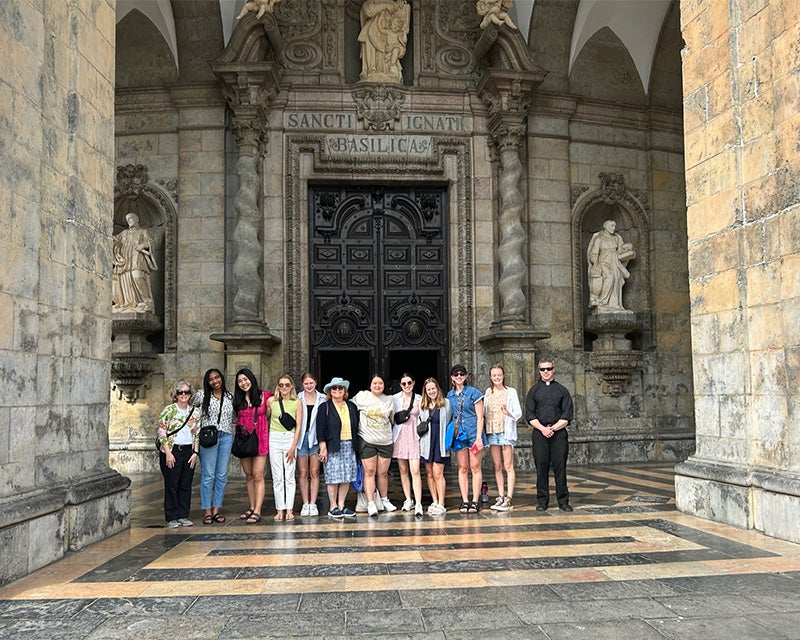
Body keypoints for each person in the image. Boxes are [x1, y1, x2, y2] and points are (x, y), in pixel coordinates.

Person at [524, 358, 575, 512]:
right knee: (541, 467)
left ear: (553, 370)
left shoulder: (562, 391)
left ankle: (563, 501)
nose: (545, 372)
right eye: (542, 369)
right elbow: (530, 415)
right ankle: (542, 501)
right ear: (539, 371)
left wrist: (553, 428)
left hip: (558, 434)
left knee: (560, 468)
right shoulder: (533, 391)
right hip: (540, 433)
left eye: (548, 369)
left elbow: (567, 415)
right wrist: (543, 429)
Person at [156, 380, 201, 528]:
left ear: (190, 394)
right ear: (175, 394)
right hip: (172, 450)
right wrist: (168, 453)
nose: (183, 395)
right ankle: (172, 516)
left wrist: (195, 452)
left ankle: (183, 514)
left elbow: (197, 433)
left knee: (186, 483)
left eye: (186, 392)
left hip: (188, 450)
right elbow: (162, 432)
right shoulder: (169, 410)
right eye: (180, 392)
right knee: (172, 483)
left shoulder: (195, 412)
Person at [192, 369, 235, 525]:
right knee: (208, 474)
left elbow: (235, 417)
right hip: (209, 437)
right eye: (211, 379)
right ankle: (207, 511)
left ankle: (216, 509)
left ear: (222, 378)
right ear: (207, 381)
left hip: (226, 436)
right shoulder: (201, 395)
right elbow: (190, 412)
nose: (215, 381)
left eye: (217, 377)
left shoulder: (230, 396)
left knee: (222, 475)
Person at [352, 373, 396, 516]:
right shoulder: (362, 396)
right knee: (369, 472)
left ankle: (384, 500)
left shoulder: (389, 400)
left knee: (382, 473)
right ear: (370, 385)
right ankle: (370, 502)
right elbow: (350, 408)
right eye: (375, 383)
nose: (378, 386)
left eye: (380, 383)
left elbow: (393, 419)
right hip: (367, 440)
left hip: (385, 440)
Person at [316, 377, 360, 518]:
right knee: (333, 477)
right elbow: (320, 429)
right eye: (334, 388)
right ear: (330, 391)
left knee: (346, 476)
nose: (337, 390)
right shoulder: (325, 407)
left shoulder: (351, 406)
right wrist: (323, 447)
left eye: (340, 388)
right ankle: (333, 506)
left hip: (349, 444)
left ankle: (341, 505)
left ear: (344, 391)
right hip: (332, 445)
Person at [232, 368, 272, 524]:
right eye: (240, 381)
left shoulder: (265, 395)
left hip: (260, 437)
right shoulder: (237, 400)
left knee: (258, 474)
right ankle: (251, 505)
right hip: (244, 440)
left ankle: (258, 510)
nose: (243, 383)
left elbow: (270, 413)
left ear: (251, 379)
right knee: (248, 475)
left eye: (245, 379)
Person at [446, 364, 485, 514]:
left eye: (462, 374)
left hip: (474, 431)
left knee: (475, 467)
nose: (459, 376)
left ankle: (475, 500)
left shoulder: (474, 393)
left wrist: (479, 438)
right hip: (459, 433)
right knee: (462, 467)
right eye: (456, 374)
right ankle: (465, 500)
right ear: (452, 377)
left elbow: (480, 417)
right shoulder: (449, 395)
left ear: (466, 376)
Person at [483, 364, 522, 512]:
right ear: (491, 377)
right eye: (494, 375)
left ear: (503, 376)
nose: (497, 378)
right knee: (497, 465)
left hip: (505, 431)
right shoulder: (488, 392)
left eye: (499, 375)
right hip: (492, 431)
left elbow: (518, 413)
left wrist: (508, 413)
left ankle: (509, 497)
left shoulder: (511, 392)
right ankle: (500, 495)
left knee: (508, 465)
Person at [267, 375, 303, 521]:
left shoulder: (297, 402)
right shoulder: (271, 401)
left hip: (289, 437)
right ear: (277, 386)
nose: (284, 388)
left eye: (287, 385)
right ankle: (279, 509)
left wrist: (293, 446)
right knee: (277, 476)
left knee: (289, 475)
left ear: (292, 386)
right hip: (274, 437)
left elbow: (299, 426)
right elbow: (266, 418)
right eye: (281, 385)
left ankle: (289, 509)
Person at [419, 377, 452, 515]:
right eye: (428, 390)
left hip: (440, 442)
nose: (431, 391)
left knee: (438, 473)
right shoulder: (422, 405)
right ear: (425, 392)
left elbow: (450, 421)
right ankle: (434, 500)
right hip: (427, 443)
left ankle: (441, 502)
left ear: (437, 389)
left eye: (433, 388)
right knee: (429, 473)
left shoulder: (446, 403)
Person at [112, 212, 158, 313]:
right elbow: (116, 241)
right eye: (127, 219)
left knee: (137, 276)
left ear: (137, 219)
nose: (129, 221)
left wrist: (143, 245)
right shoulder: (124, 233)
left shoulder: (142, 231)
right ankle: (126, 303)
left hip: (136, 258)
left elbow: (150, 242)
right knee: (123, 280)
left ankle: (146, 301)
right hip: (125, 260)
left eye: (131, 218)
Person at [587, 219, 636, 312]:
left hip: (615, 262)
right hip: (603, 263)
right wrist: (596, 265)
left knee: (616, 281)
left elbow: (621, 249)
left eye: (615, 226)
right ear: (606, 227)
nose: (614, 228)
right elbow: (593, 254)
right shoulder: (599, 239)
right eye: (612, 226)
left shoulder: (617, 238)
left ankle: (614, 305)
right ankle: (602, 302)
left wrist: (628, 248)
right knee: (609, 277)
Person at [392, 373, 423, 516]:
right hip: (400, 436)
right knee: (403, 471)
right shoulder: (394, 399)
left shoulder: (419, 399)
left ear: (413, 383)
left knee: (415, 471)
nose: (407, 386)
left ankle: (418, 503)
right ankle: (408, 499)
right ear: (400, 385)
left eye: (409, 383)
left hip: (414, 436)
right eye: (404, 384)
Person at [358, 0, 410, 83]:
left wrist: (401, 5)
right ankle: (372, 70)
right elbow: (369, 12)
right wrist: (385, 5)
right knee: (372, 60)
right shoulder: (369, 3)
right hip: (371, 33)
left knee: (388, 57)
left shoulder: (394, 3)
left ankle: (388, 70)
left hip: (387, 39)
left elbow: (402, 19)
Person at [297, 372, 326, 517]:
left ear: (315, 382)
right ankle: (305, 503)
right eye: (306, 383)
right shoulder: (297, 398)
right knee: (303, 472)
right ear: (302, 384)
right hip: (301, 438)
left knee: (314, 472)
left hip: (315, 438)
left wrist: (323, 444)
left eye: (311, 383)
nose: (309, 386)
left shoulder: (322, 398)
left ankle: (313, 503)